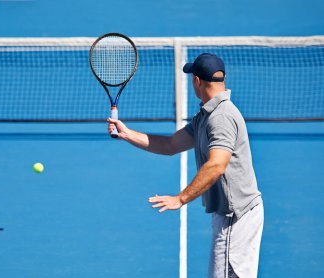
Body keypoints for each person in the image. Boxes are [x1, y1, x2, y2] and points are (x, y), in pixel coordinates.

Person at [107, 53, 263, 278]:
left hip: (236, 217)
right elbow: (171, 144)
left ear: (197, 81)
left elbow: (216, 165)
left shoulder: (220, 118)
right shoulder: (205, 116)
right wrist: (127, 134)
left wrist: (180, 198)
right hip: (231, 214)